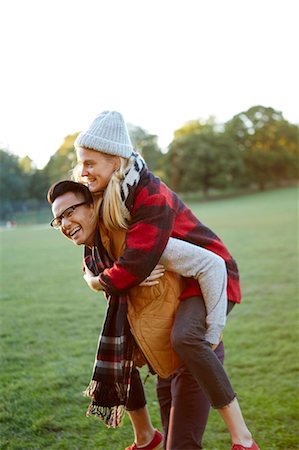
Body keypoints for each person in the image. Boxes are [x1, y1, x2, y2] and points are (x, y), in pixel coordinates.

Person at [69, 110, 259, 450]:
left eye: (91, 163)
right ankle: (147, 436)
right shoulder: (113, 198)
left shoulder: (148, 195)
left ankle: (242, 438)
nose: (83, 171)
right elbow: (115, 258)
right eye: (80, 162)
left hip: (210, 275)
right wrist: (99, 272)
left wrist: (211, 336)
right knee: (124, 344)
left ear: (115, 161)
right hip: (178, 279)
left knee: (187, 337)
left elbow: (136, 265)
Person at [48, 180, 228, 449]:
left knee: (180, 445)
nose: (64, 223)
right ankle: (146, 437)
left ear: (93, 205)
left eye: (69, 212)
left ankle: (241, 438)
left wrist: (130, 272)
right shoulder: (97, 255)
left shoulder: (139, 242)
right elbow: (103, 281)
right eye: (57, 219)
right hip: (163, 362)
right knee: (173, 442)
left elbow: (212, 264)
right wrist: (103, 280)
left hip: (192, 357)